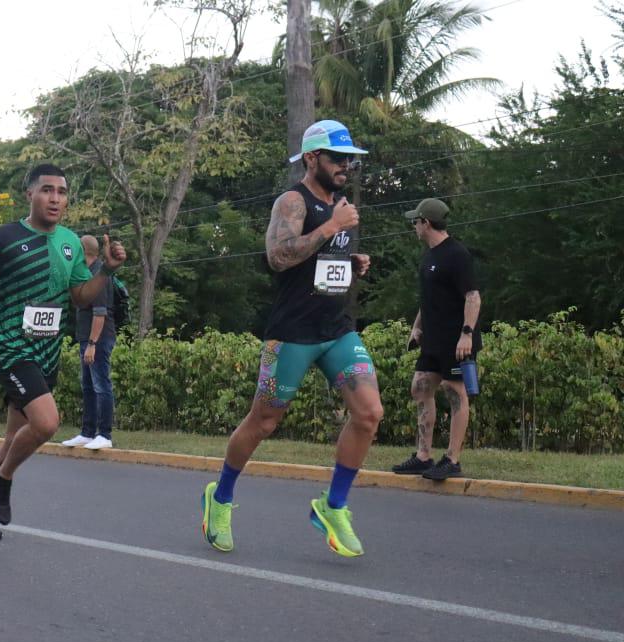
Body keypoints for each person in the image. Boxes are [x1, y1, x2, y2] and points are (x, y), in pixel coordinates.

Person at [201, 120, 381, 558]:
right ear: (311, 158)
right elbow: (279, 256)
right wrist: (329, 228)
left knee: (369, 413)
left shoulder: (339, 203)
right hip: (293, 334)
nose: (346, 167)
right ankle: (220, 498)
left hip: (336, 330)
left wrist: (349, 261)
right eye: (338, 158)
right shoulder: (292, 201)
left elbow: (317, 263)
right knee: (263, 422)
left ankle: (332, 506)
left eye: (350, 160)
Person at [0, 163, 126, 540]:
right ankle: (3, 478)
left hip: (46, 352)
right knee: (47, 423)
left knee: (14, 437)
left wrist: (106, 272)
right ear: (30, 194)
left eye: (62, 192)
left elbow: (80, 297)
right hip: (10, 347)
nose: (55, 198)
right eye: (47, 190)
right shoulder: (5, 237)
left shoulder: (70, 243)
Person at [392, 198, 482, 481]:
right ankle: (423, 456)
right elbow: (429, 299)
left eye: (415, 222)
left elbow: (473, 297)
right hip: (432, 339)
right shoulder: (429, 256)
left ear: (425, 223)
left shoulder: (457, 254)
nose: (414, 227)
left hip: (456, 341)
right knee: (420, 388)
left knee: (455, 393)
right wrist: (416, 327)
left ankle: (452, 460)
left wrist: (466, 334)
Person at [61, 234, 117, 451]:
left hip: (99, 339)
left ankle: (104, 434)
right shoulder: (86, 274)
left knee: (101, 385)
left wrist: (93, 344)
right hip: (87, 338)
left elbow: (100, 313)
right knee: (88, 386)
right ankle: (87, 432)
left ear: (84, 252)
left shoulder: (100, 275)